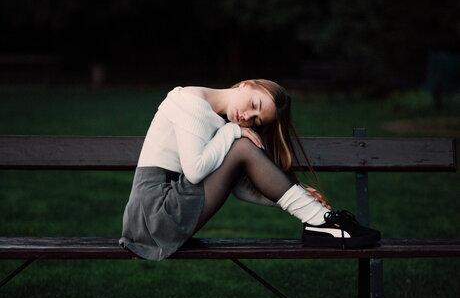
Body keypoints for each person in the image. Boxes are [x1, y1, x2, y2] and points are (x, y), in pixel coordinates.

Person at [119, 79, 380, 260]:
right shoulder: (190, 102)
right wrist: (232, 132)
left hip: (160, 215)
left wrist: (297, 197)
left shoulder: (218, 120)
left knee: (241, 145)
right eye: (254, 105)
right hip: (153, 214)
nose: (247, 117)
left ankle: (318, 219)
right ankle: (321, 222)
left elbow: (239, 189)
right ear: (246, 84)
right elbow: (196, 171)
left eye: (255, 120)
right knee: (243, 146)